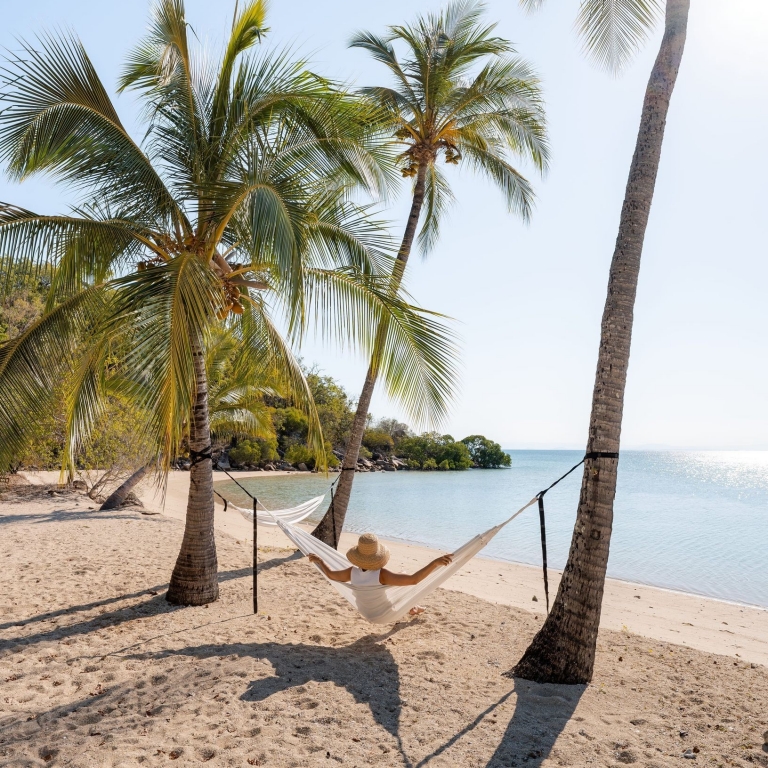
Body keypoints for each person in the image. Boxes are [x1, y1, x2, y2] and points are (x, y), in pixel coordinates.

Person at [307, 532, 453, 616]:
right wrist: (434, 563)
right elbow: (414, 580)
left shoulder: (351, 572)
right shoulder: (382, 575)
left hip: (366, 612)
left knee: (397, 580)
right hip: (384, 613)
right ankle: (414, 607)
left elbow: (331, 575)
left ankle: (414, 608)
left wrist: (320, 561)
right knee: (403, 580)